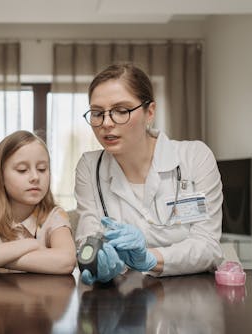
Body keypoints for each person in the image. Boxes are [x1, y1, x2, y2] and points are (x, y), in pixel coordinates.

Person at [75, 63, 223, 284]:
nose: (106, 123)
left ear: (150, 112)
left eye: (121, 111)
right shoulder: (89, 166)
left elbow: (208, 245)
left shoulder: (194, 157)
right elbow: (88, 240)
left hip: (189, 300)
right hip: (123, 302)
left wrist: (149, 258)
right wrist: (98, 261)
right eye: (97, 113)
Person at [0, 130, 76, 275]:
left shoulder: (54, 215)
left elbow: (66, 262)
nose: (35, 177)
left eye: (42, 169)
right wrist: (29, 244)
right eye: (22, 170)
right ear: (1, 176)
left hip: (39, 297)